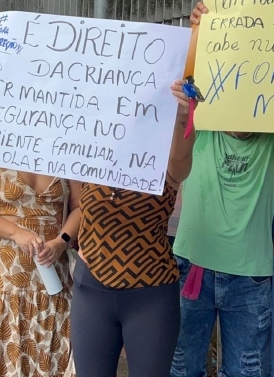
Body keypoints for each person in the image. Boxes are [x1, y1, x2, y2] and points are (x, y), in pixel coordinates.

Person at [170, 2, 274, 377]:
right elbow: (181, 86)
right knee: (181, 369)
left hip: (249, 281)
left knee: (246, 373)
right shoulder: (201, 127)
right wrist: (204, 30)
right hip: (191, 268)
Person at [71, 80, 194, 377]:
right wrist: (3, 71)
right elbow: (40, 116)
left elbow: (182, 156)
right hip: (91, 291)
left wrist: (182, 116)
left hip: (150, 295)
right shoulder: (86, 150)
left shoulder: (164, 158)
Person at [0, 166, 82, 377]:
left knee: (54, 346)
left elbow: (80, 207)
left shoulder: (65, 149)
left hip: (53, 269)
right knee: (7, 346)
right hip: (5, 272)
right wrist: (16, 233)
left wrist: (61, 242)